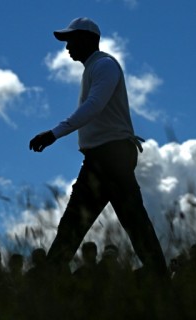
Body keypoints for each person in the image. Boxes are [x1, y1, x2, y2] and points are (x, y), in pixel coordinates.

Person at [29, 17, 167, 277]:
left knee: (126, 223)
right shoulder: (95, 68)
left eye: (71, 40)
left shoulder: (104, 65)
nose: (67, 46)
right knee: (120, 222)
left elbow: (94, 106)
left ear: (88, 40)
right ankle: (50, 279)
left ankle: (47, 280)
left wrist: (54, 133)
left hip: (111, 156)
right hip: (101, 158)